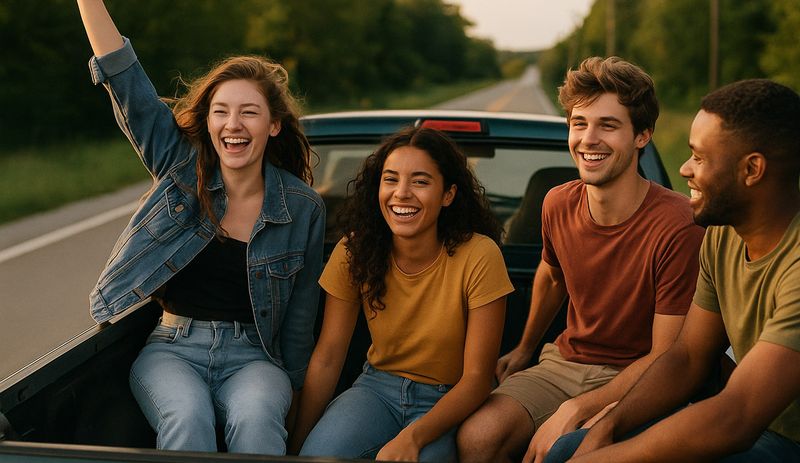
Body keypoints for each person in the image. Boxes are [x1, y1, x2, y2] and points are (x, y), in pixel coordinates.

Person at [76, 0, 324, 455]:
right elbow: (124, 78)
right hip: (172, 347)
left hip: (255, 356)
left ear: (273, 125)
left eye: (249, 112)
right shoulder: (178, 166)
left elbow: (299, 319)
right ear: (207, 121)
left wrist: (291, 390)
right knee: (186, 417)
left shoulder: (303, 207)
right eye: (221, 111)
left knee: (257, 419)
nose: (233, 124)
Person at [457, 56, 705, 463]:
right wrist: (523, 349)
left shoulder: (679, 225)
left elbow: (668, 355)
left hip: (641, 375)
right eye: (579, 123)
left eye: (608, 125)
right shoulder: (557, 202)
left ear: (642, 135)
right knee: (477, 437)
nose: (589, 139)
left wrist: (580, 408)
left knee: (570, 453)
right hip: (564, 362)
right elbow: (551, 278)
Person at [546, 79, 800, 462]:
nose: (684, 169)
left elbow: (736, 416)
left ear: (752, 169)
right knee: (569, 448)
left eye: (699, 158)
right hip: (751, 426)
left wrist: (606, 458)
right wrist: (606, 428)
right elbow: (687, 357)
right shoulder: (721, 238)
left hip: (781, 439)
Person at [289, 126, 513, 462]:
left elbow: (478, 379)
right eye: (391, 179)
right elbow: (329, 355)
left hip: (450, 400)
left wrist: (413, 438)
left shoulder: (480, 255)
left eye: (420, 181)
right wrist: (297, 446)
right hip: (376, 390)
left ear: (448, 194)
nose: (401, 193)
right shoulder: (354, 251)